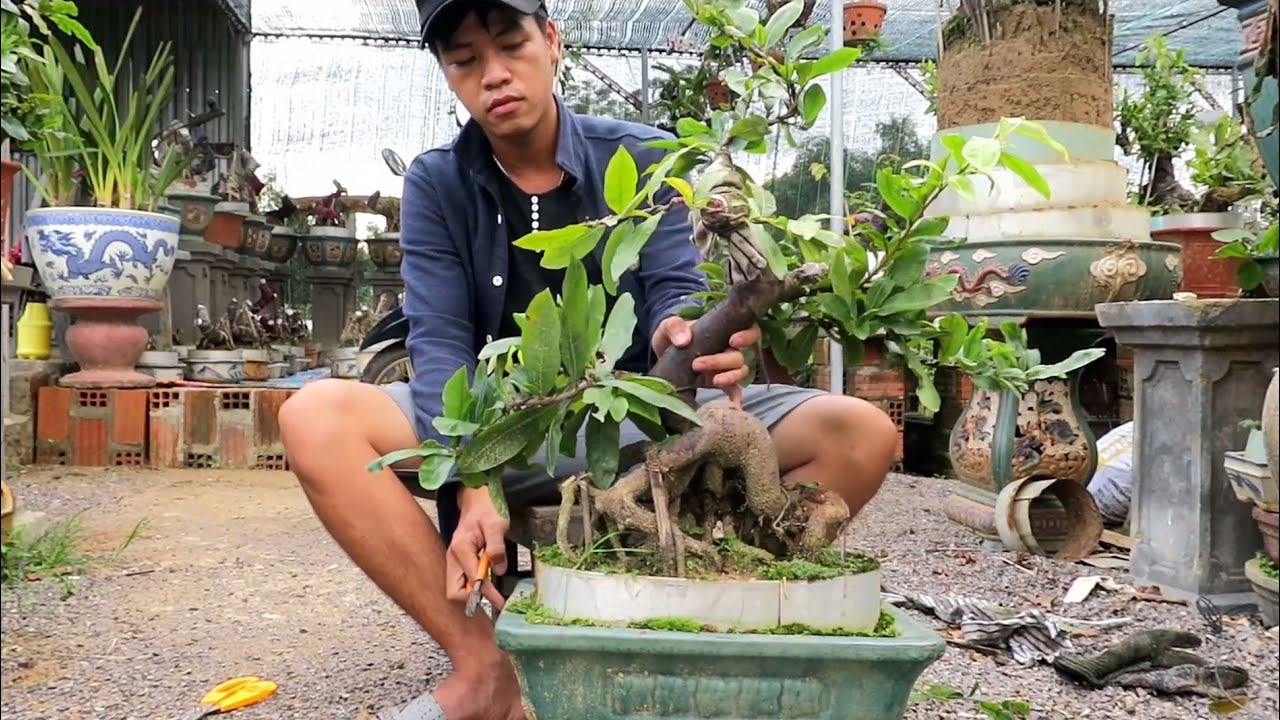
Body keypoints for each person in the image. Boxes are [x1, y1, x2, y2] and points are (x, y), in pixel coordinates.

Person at [277, 2, 901, 718]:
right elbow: (441, 343)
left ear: (552, 41)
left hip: (643, 422)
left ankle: (696, 630)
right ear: (448, 74)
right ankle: (489, 675)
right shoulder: (438, 182)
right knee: (316, 417)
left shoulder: (641, 156)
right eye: (466, 60)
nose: (495, 75)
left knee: (862, 432)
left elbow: (677, 297)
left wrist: (698, 336)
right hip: (495, 431)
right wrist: (473, 479)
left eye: (511, 45)